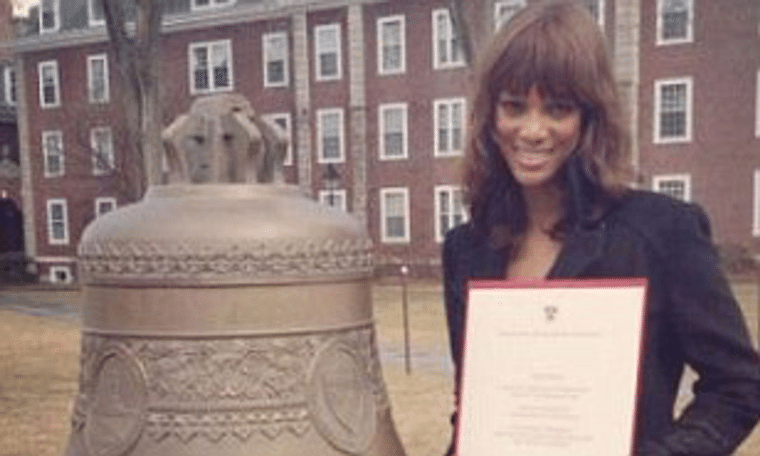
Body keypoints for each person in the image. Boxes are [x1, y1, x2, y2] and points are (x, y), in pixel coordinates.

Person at [442, 1, 760, 454]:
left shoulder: (662, 232)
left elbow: (738, 387)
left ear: (589, 118)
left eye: (557, 109)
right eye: (514, 107)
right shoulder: (466, 248)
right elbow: (474, 402)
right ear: (491, 118)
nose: (532, 130)